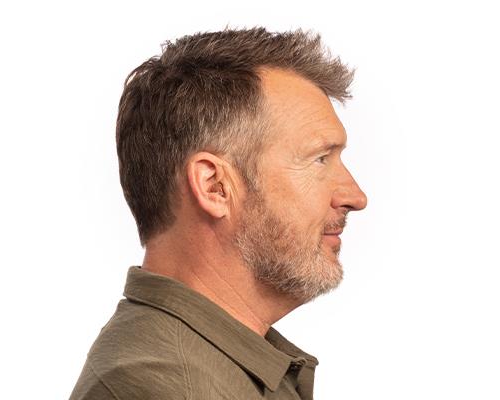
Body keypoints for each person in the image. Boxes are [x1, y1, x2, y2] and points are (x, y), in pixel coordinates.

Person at [69, 27, 368, 400]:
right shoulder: (166, 388)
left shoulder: (209, 368)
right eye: (320, 159)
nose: (356, 197)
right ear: (214, 187)